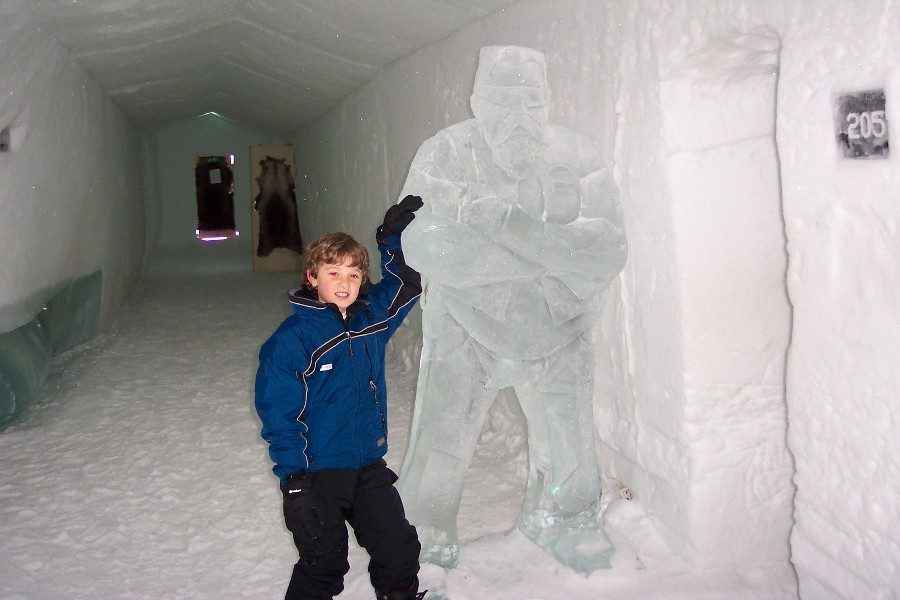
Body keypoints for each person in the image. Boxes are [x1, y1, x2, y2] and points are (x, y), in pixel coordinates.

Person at [396, 46, 628, 572]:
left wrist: (508, 229)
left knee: (567, 434)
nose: (519, 117)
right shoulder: (446, 154)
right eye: (504, 101)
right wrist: (547, 250)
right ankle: (425, 525)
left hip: (563, 323)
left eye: (532, 102)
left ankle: (565, 515)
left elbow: (610, 247)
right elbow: (420, 239)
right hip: (468, 321)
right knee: (445, 429)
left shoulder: (578, 155)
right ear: (478, 100)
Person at [255, 195, 426, 600]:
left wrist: (390, 240)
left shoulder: (371, 322)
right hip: (318, 474)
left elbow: (406, 285)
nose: (344, 283)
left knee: (399, 550)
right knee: (324, 562)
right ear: (312, 277)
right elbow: (281, 414)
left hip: (368, 465)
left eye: (353, 274)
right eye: (334, 273)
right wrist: (294, 481)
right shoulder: (292, 340)